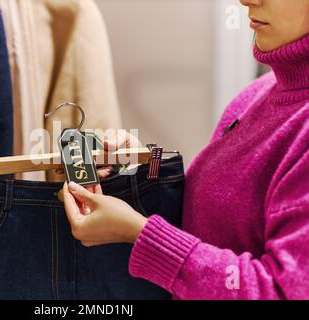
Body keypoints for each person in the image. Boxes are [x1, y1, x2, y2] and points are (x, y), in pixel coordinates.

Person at [63, 0, 309, 300]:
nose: (246, 1)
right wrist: (146, 173)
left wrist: (139, 234)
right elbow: (213, 227)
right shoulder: (257, 95)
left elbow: (280, 292)